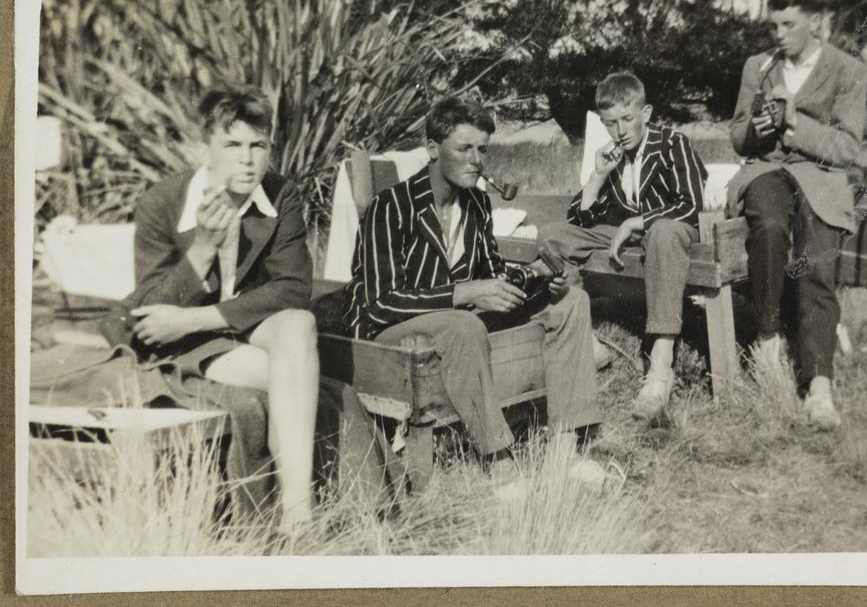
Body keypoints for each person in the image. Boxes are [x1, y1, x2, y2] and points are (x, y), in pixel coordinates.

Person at [314, 96, 605, 488]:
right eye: (463, 148)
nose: (476, 160)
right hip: (395, 334)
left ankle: (564, 451)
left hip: (459, 323)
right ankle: (500, 461)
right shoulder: (390, 208)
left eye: (482, 149)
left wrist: (535, 280)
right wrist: (464, 292)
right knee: (463, 324)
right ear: (433, 149)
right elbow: (376, 304)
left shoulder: (477, 204)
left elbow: (491, 275)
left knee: (572, 300)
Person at [122, 86, 319, 532]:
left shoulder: (280, 195)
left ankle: (297, 516)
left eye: (258, 146)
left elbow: (293, 289)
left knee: (300, 325)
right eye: (232, 145)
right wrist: (204, 248)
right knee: (297, 374)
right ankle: (287, 511)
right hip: (185, 346)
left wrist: (194, 317)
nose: (248, 160)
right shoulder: (162, 203)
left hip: (220, 327)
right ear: (204, 150)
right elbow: (153, 314)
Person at [727, 0, 867, 429]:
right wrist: (761, 128)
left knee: (814, 258)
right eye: (774, 25)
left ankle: (819, 385)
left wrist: (793, 124)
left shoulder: (846, 70)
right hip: (766, 170)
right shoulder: (758, 66)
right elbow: (738, 137)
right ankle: (767, 339)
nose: (779, 35)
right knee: (768, 228)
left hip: (820, 177)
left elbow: (847, 149)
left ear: (815, 22)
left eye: (789, 24)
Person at [538, 71, 708, 422]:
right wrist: (598, 176)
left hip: (671, 235)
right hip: (626, 235)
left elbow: (691, 204)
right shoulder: (614, 157)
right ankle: (587, 341)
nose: (621, 131)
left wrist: (637, 222)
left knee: (661, 230)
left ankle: (661, 364)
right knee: (553, 236)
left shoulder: (672, 143)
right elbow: (580, 220)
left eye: (628, 120)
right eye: (611, 123)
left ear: (645, 114)